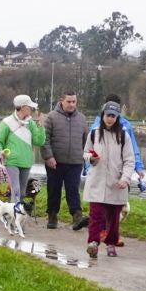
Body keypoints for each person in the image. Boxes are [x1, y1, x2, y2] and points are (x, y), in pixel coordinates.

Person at [82, 101, 138, 258]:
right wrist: (91, 158)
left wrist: (125, 178)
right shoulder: (94, 133)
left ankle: (111, 243)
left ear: (117, 117)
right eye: (108, 115)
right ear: (103, 115)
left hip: (116, 182)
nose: (110, 119)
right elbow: (86, 152)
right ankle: (93, 243)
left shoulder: (123, 135)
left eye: (113, 116)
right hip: (97, 182)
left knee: (113, 218)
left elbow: (129, 160)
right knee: (96, 215)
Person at [0, 94, 47, 212]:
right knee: (15, 190)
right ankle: (15, 219)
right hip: (11, 161)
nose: (32, 109)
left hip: (26, 162)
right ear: (22, 107)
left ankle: (13, 215)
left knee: (21, 192)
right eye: (30, 107)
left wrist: (41, 126)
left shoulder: (31, 123)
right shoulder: (6, 122)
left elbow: (39, 141)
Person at [42, 90, 87, 230]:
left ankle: (77, 216)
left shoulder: (82, 119)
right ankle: (52, 216)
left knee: (73, 190)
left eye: (74, 102)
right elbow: (45, 139)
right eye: (69, 101)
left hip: (75, 162)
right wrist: (48, 156)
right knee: (54, 190)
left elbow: (86, 140)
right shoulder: (51, 117)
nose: (71, 104)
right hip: (55, 162)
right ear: (61, 101)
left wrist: (85, 156)